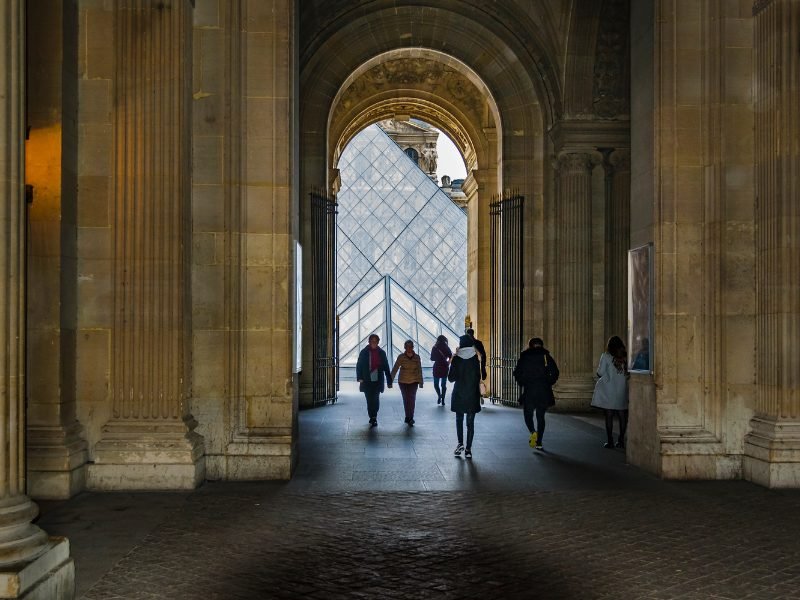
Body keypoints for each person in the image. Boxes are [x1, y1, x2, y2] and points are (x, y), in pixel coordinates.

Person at [513, 337, 560, 451]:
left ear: (530, 345)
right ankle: (539, 442)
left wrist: (523, 382)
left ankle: (533, 431)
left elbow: (517, 372)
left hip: (530, 389)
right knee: (540, 416)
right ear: (541, 345)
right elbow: (555, 372)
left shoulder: (525, 357)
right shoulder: (546, 356)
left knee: (528, 414)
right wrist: (548, 381)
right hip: (543, 390)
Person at [591, 335, 630, 448]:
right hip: (622, 389)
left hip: (609, 390)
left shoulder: (606, 356)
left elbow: (600, 372)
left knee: (609, 415)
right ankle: (621, 440)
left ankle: (610, 441)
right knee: (622, 414)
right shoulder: (625, 357)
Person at [448, 334, 482, 459]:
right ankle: (468, 449)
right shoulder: (475, 358)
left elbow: (451, 378)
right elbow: (478, 377)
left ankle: (460, 444)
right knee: (470, 422)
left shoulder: (457, 359)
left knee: (459, 419)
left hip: (459, 393)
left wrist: (453, 360)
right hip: (472, 394)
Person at [356, 334, 392, 427]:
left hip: (377, 380)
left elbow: (386, 367)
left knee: (375, 399)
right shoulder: (364, 352)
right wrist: (359, 377)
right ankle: (371, 416)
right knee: (369, 400)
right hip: (366, 380)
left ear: (378, 342)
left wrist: (389, 380)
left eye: (375, 341)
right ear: (369, 342)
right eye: (372, 341)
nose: (374, 343)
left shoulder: (381, 353)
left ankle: (374, 417)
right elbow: (359, 365)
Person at [391, 339, 424, 426]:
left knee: (412, 399)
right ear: (405, 347)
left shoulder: (417, 357)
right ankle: (407, 416)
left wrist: (421, 382)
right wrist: (390, 380)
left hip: (414, 381)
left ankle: (411, 417)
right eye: (407, 347)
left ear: (413, 347)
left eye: (411, 346)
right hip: (403, 382)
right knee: (406, 399)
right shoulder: (401, 357)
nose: (409, 348)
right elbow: (395, 368)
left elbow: (419, 370)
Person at [430, 335, 452, 405]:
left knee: (436, 384)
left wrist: (437, 358)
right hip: (444, 367)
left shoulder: (435, 347)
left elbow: (432, 358)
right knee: (443, 384)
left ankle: (439, 395)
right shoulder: (446, 347)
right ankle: (443, 400)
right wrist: (447, 360)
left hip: (437, 367)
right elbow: (450, 356)